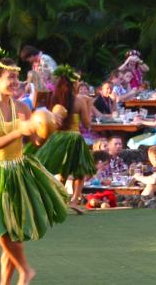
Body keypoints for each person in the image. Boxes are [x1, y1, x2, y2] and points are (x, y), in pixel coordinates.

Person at [0, 48, 68, 285]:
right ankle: (26, 271)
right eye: (11, 78)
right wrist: (20, 129)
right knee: (4, 232)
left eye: (17, 78)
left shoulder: (23, 108)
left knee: (12, 232)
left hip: (18, 171)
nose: (16, 82)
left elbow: (36, 141)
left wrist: (49, 127)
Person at [35, 64, 96, 211]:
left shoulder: (53, 99)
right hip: (74, 137)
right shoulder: (79, 101)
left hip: (57, 137)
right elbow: (87, 125)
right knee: (79, 170)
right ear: (73, 84)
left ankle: (58, 197)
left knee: (62, 170)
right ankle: (74, 199)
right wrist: (88, 104)